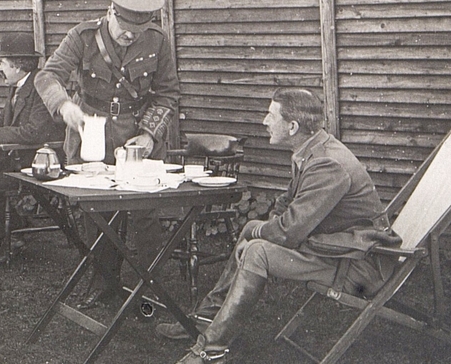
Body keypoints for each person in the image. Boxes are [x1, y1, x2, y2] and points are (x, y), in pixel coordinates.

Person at [166, 88, 400, 364]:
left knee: (257, 251)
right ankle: (207, 318)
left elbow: (290, 231)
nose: (265, 121)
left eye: (271, 115)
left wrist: (257, 233)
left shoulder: (327, 164)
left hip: (358, 265)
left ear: (292, 126)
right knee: (253, 232)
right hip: (339, 248)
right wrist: (259, 228)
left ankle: (212, 349)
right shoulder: (312, 149)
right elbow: (287, 203)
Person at [35, 0, 180, 309]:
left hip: (137, 136)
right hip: (92, 131)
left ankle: (150, 285)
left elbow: (168, 93)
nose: (130, 35)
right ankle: (104, 282)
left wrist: (149, 134)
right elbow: (48, 75)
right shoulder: (83, 36)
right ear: (110, 12)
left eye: (137, 30)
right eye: (124, 27)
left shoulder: (157, 42)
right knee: (97, 212)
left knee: (145, 213)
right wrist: (64, 105)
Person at [0, 32, 65, 264]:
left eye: (3, 63)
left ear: (18, 66)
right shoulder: (18, 85)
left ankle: (3, 241)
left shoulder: (39, 88)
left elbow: (35, 132)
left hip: (35, 163)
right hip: (13, 159)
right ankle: (15, 229)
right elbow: (10, 119)